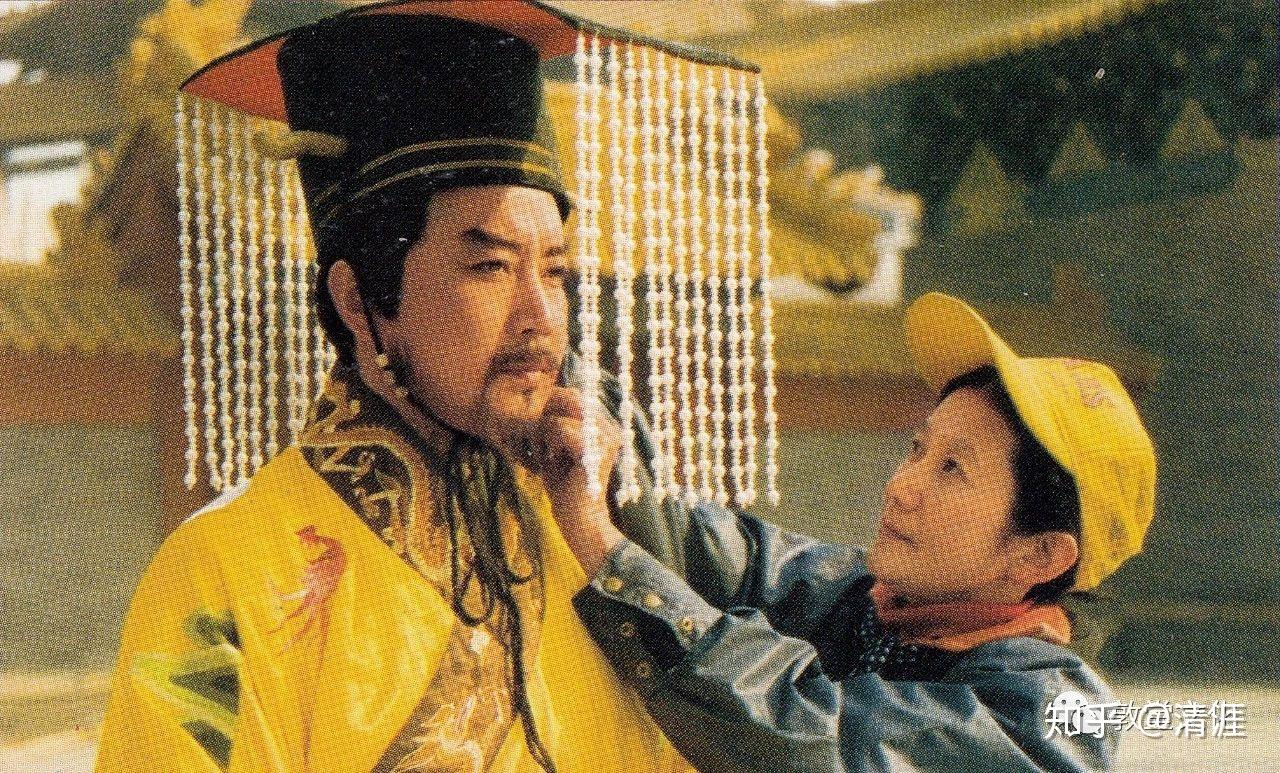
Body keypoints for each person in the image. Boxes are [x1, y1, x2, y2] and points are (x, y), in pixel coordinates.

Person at [96, 4, 749, 771]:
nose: (541, 316)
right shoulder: (222, 575)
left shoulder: (594, 543)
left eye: (555, 271)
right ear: (360, 300)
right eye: (489, 266)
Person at [535, 291, 1157, 772]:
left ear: (1040, 556)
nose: (902, 486)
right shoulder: (866, 599)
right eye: (917, 450)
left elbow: (814, 737)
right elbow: (709, 545)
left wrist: (600, 543)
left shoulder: (1050, 717)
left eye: (953, 470)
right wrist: (556, 366)